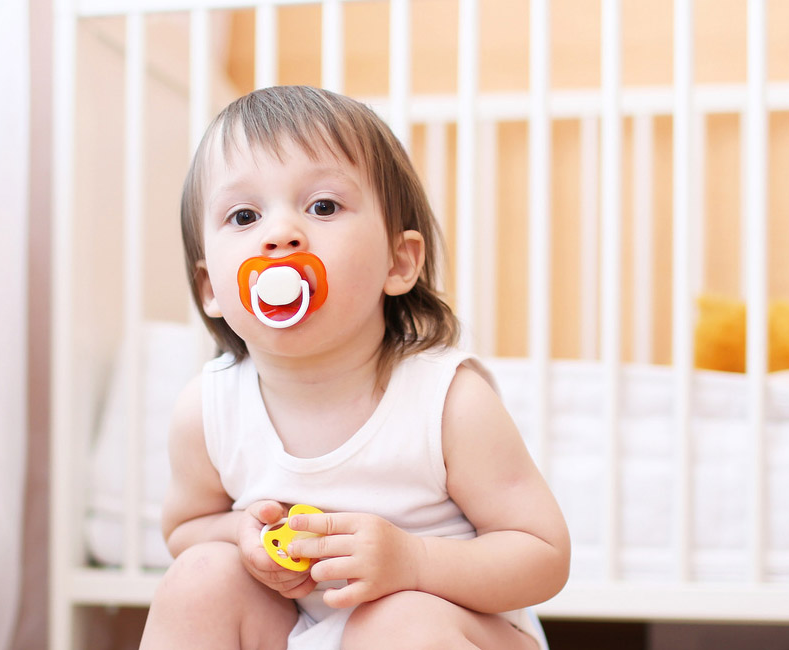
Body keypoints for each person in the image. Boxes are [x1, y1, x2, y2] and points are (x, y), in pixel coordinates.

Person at [140, 85, 570, 650]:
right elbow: (185, 530)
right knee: (199, 578)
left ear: (398, 261)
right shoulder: (209, 408)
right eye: (244, 216)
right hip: (299, 627)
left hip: (448, 629)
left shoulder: (446, 401)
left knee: (394, 622)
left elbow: (542, 555)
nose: (279, 236)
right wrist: (242, 535)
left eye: (322, 206)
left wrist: (412, 561)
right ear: (210, 289)